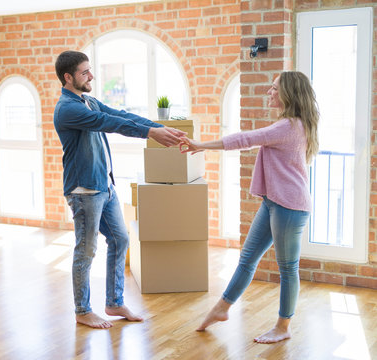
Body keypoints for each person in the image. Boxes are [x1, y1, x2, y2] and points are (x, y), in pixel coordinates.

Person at [179, 71, 319, 343]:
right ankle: (222, 308)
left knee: (288, 268)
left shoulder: (289, 126)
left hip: (289, 207)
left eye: (274, 88)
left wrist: (201, 145)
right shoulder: (291, 124)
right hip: (273, 203)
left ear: (288, 93)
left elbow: (245, 139)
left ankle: (283, 326)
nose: (269, 91)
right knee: (247, 259)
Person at [54, 50, 186, 329]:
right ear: (68, 77)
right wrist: (151, 134)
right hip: (85, 191)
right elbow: (110, 123)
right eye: (84, 72)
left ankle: (114, 302)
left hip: (105, 186)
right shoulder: (68, 109)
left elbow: (120, 114)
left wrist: (159, 127)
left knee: (120, 240)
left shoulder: (87, 100)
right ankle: (82, 310)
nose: (91, 76)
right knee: (86, 251)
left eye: (90, 70)